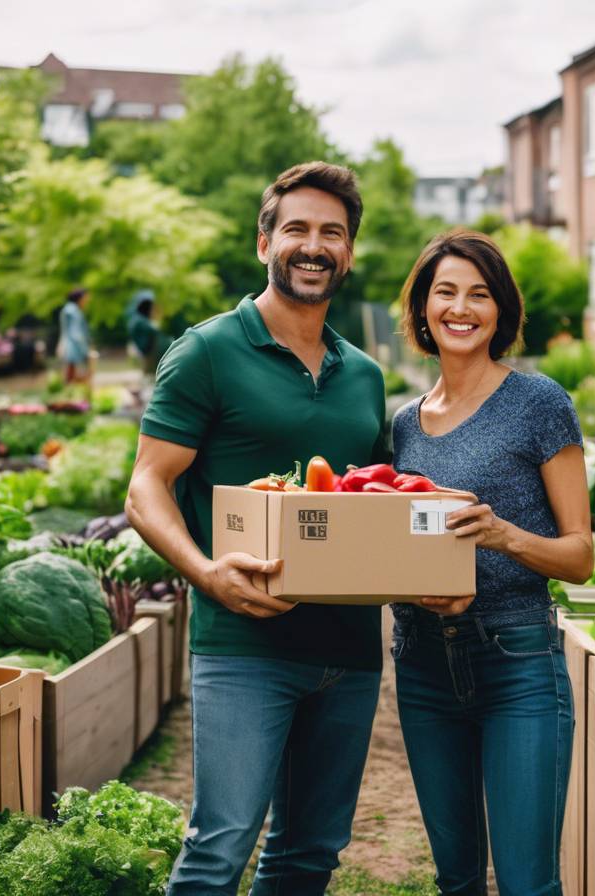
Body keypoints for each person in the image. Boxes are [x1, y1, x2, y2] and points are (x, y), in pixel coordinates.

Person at [126, 162, 445, 896]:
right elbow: (147, 488)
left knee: (310, 854)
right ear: (264, 241)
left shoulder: (362, 374)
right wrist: (206, 573)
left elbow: (375, 508)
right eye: (296, 228)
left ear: (350, 253)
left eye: (332, 233)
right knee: (220, 847)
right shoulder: (208, 351)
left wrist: (423, 570)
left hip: (348, 654)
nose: (314, 245)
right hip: (245, 647)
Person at [390, 230, 594, 896]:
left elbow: (580, 556)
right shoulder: (404, 426)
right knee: (455, 881)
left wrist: (504, 535)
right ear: (423, 308)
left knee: (527, 884)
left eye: (479, 294)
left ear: (500, 312)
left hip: (517, 664)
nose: (461, 307)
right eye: (445, 292)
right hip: (422, 664)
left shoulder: (539, 405)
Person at [56, 286, 91, 383]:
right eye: (86, 298)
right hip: (73, 348)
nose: (87, 301)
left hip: (68, 347)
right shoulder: (73, 311)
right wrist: (85, 350)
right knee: (72, 377)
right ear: (80, 298)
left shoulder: (68, 309)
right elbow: (76, 333)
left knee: (70, 376)